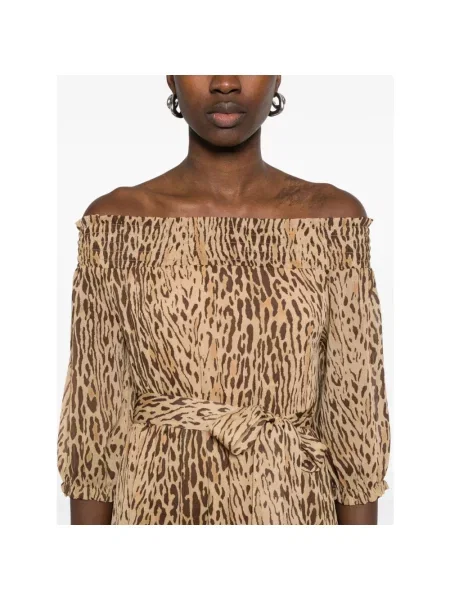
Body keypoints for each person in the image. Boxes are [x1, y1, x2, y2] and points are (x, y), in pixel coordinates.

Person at [57, 75, 391, 525]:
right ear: (172, 77)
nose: (225, 83)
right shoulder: (117, 222)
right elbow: (93, 417)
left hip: (288, 509)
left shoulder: (332, 219)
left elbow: (356, 416)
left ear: (277, 75)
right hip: (155, 510)